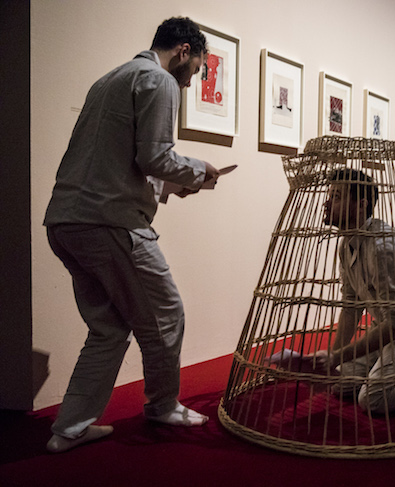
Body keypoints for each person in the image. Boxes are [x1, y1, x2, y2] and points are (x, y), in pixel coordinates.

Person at [43, 17, 221, 453]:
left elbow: (115, 157)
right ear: (183, 50)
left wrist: (167, 188)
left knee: (107, 327)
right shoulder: (157, 79)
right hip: (109, 222)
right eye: (196, 68)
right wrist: (202, 173)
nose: (190, 80)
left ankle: (71, 427)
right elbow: (155, 154)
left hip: (66, 219)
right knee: (166, 313)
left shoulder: (112, 78)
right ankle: (163, 405)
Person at [308, 168, 395, 413]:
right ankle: (389, 366)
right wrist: (334, 359)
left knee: (372, 399)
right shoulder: (347, 245)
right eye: (329, 195)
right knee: (340, 383)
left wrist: (339, 356)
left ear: (361, 204)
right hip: (389, 322)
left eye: (337, 196)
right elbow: (351, 306)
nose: (327, 203)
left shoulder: (382, 248)